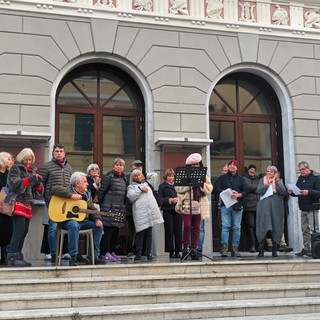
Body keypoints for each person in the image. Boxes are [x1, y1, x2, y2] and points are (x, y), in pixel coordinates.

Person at [51, 172, 105, 266]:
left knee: (98, 227)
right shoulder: (68, 189)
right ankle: (73, 256)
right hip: (66, 222)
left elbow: (92, 210)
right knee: (73, 224)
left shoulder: (87, 195)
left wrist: (97, 219)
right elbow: (54, 189)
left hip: (83, 222)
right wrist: (71, 196)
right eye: (84, 181)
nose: (87, 183)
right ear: (77, 183)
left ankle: (93, 256)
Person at [7, 148, 43, 267]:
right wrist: (29, 179)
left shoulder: (32, 170)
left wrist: (38, 184)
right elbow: (15, 185)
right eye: (26, 159)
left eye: (30, 159)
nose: (28, 162)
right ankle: (12, 256)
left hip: (27, 204)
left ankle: (18, 256)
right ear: (21, 158)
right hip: (17, 202)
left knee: (24, 231)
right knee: (19, 231)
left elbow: (38, 191)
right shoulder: (15, 168)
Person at [175, 153, 213, 260]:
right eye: (193, 165)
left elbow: (209, 189)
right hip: (186, 203)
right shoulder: (184, 175)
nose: (195, 167)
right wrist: (190, 184)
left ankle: (194, 249)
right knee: (187, 225)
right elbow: (178, 189)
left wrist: (201, 185)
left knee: (197, 227)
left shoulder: (205, 176)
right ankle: (185, 248)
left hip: (199, 203)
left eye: (197, 164)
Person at [40, 143, 73, 263]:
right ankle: (50, 252)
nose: (59, 153)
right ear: (53, 153)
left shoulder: (69, 167)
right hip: (52, 202)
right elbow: (41, 185)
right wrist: (46, 197)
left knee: (67, 226)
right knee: (52, 227)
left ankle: (65, 252)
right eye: (57, 151)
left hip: (66, 203)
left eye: (61, 151)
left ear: (64, 153)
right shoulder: (46, 166)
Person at [126, 169, 164, 261]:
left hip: (149, 213)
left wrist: (145, 175)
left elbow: (154, 175)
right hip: (140, 214)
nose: (138, 177)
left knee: (149, 234)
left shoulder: (147, 184)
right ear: (133, 178)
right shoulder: (131, 187)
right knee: (140, 234)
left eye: (140, 175)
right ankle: (138, 253)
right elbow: (131, 197)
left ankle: (149, 253)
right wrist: (140, 189)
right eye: (136, 175)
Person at [215, 159, 248, 257]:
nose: (232, 166)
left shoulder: (241, 179)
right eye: (230, 165)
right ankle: (224, 248)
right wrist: (226, 192)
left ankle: (235, 248)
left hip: (237, 205)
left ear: (237, 167)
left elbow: (246, 191)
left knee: (236, 227)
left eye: (234, 165)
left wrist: (238, 195)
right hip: (225, 205)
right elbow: (216, 188)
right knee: (225, 227)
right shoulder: (222, 178)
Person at [288, 161, 320, 257]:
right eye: (300, 170)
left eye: (302, 169)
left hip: (312, 207)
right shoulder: (301, 179)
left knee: (314, 229)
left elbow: (318, 192)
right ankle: (306, 248)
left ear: (308, 168)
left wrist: (308, 192)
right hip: (303, 208)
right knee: (304, 229)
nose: (301, 171)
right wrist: (291, 192)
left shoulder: (316, 177)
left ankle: (316, 249)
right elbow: (297, 191)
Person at [98, 158, 127, 262]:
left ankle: (112, 251)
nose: (119, 166)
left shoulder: (124, 179)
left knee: (116, 231)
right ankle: (104, 252)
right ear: (114, 165)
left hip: (119, 209)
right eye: (117, 164)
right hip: (108, 208)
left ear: (123, 167)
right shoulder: (108, 177)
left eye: (121, 165)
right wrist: (101, 206)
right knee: (108, 231)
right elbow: (101, 192)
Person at [256, 165, 288, 258]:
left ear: (275, 173)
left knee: (276, 226)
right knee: (263, 226)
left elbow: (283, 192)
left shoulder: (279, 181)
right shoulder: (263, 180)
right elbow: (259, 191)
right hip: (264, 207)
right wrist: (267, 185)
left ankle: (275, 250)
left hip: (276, 207)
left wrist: (276, 182)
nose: (268, 173)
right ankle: (261, 250)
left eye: (271, 171)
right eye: (267, 171)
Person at [158, 168, 181, 260]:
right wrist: (170, 200)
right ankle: (171, 251)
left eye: (172, 176)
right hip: (168, 210)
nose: (171, 178)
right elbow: (160, 199)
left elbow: (182, 196)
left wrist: (179, 199)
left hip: (177, 210)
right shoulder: (162, 186)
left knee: (178, 231)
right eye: (169, 176)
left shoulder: (178, 186)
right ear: (166, 177)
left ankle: (178, 251)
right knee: (169, 231)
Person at [0, 152, 14, 265]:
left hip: (7, 208)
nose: (11, 161)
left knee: (7, 231)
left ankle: (5, 256)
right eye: (8, 159)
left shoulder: (10, 174)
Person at [242, 164, 259, 253]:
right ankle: (252, 245)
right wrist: (255, 189)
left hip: (258, 205)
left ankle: (259, 245)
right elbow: (248, 187)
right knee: (251, 226)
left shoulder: (257, 179)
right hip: (248, 206)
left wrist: (255, 189)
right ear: (248, 170)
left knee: (258, 226)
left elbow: (260, 189)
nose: (252, 171)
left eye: (254, 169)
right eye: (251, 169)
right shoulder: (244, 178)